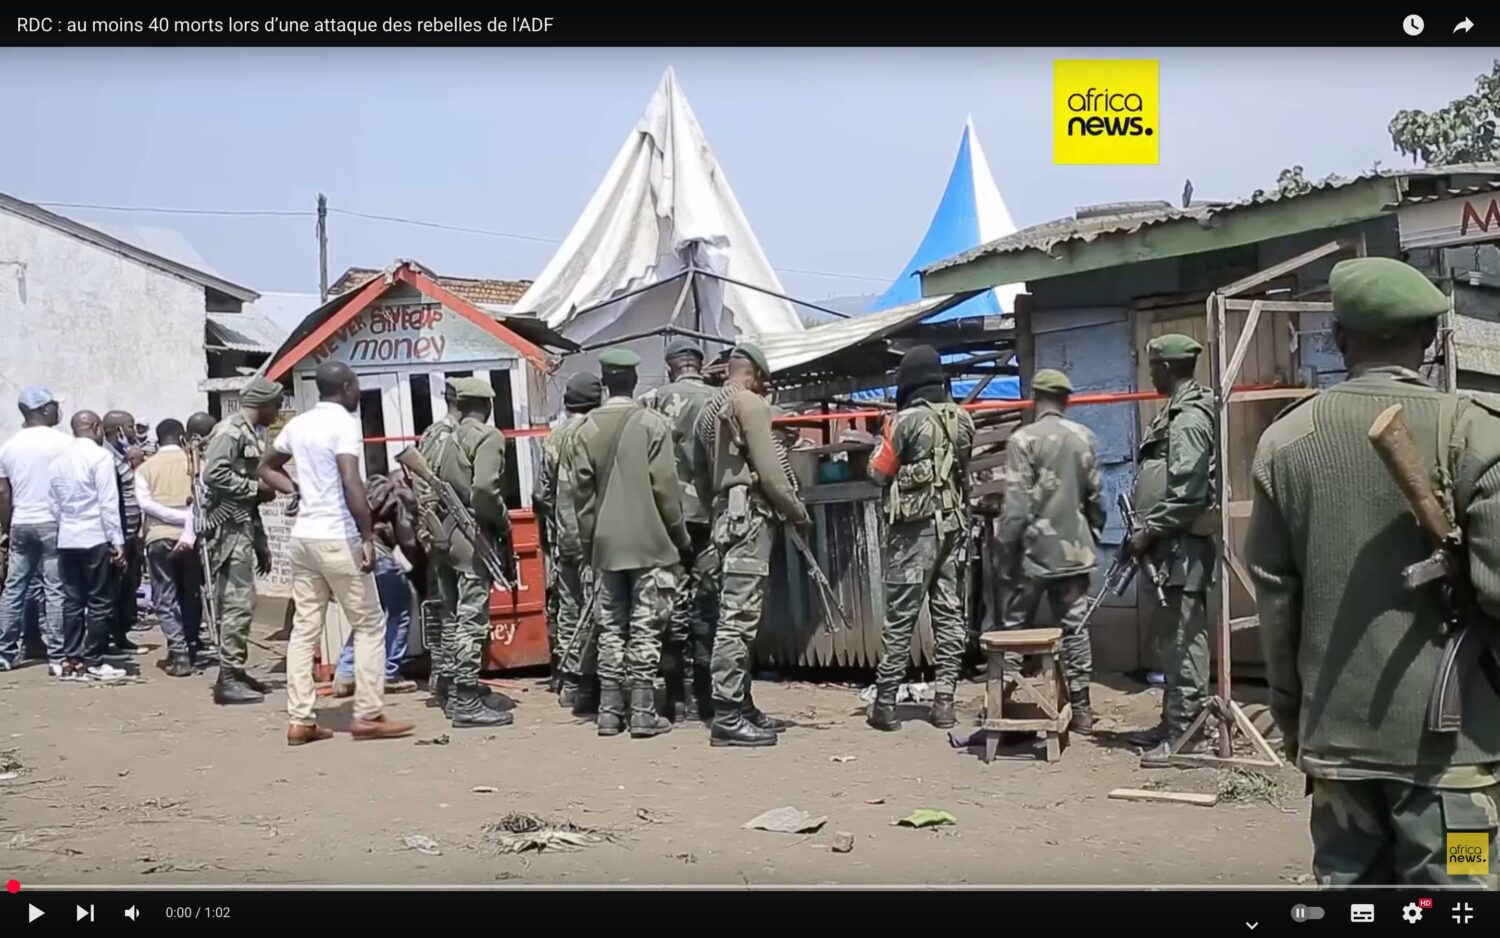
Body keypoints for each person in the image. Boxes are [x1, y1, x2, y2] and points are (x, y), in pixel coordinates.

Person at [1249, 257, 1500, 887]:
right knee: (1462, 896)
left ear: (1338, 337)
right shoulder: (1475, 432)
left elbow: (1276, 603)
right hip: (1456, 768)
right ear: (1431, 339)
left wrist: (1293, 717)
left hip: (1339, 753)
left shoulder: (1285, 440)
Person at [261, 361, 414, 744]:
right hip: (337, 537)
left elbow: (265, 467)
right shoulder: (343, 424)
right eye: (356, 386)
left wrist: (295, 489)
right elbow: (351, 482)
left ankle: (301, 720)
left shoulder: (299, 424)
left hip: (304, 539)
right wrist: (367, 536)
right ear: (346, 387)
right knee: (370, 624)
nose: (358, 393)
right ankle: (369, 714)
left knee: (304, 629)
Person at [569, 348, 689, 739]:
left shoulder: (584, 430)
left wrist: (590, 543)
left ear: (605, 382)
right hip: (651, 542)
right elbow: (666, 490)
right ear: (634, 381)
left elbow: (582, 499)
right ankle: (641, 712)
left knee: (610, 628)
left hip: (606, 546)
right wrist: (680, 536)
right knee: (645, 628)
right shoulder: (654, 424)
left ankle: (608, 712)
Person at [697, 343, 809, 747]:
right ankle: (728, 714)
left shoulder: (710, 408)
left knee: (733, 614)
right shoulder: (749, 403)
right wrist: (797, 512)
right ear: (756, 374)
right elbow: (771, 471)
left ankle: (742, 706)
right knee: (738, 618)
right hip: (749, 516)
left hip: (724, 515)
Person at [865, 345, 976, 731]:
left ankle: (885, 705)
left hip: (913, 535)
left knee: (901, 617)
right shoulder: (963, 419)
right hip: (952, 529)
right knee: (949, 614)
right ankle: (944, 703)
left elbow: (877, 473)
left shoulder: (903, 422)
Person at [995, 368, 1106, 734]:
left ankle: (1004, 706)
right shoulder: (1084, 438)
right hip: (1073, 553)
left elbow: (1016, 508)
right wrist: (1090, 536)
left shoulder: (1022, 440)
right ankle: (1083, 711)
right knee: (1075, 630)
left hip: (1031, 555)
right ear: (1066, 400)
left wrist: (1005, 552)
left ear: (1034, 397)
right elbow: (1096, 499)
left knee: (1014, 631)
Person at [1126, 332, 1218, 767]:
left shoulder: (1188, 419)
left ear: (1166, 368)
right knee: (1172, 640)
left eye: (1153, 368)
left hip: (1181, 549)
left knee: (1184, 640)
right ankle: (1174, 722)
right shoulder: (1175, 412)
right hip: (1170, 550)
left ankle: (1189, 735)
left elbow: (1188, 495)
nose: (1151, 376)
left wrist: (1149, 530)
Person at [413, 377, 515, 730]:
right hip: (472, 538)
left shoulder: (442, 438)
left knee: (452, 615)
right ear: (487, 406)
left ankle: (452, 684)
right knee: (472, 619)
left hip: (444, 537)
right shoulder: (487, 436)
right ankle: (465, 699)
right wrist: (501, 521)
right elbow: (485, 489)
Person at [643, 337, 720, 722]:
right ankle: (705, 698)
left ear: (670, 366)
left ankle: (673, 698)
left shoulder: (649, 404)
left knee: (667, 607)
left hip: (664, 519)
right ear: (699, 365)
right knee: (707, 604)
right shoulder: (717, 401)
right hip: (708, 515)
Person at [201, 379, 282, 705]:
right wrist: (255, 489)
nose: (278, 412)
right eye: (276, 405)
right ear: (262, 403)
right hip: (227, 531)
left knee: (242, 601)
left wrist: (261, 541)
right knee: (238, 602)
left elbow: (247, 497)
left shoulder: (248, 433)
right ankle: (229, 677)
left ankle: (235, 669)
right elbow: (214, 475)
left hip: (242, 525)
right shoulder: (230, 432)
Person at [533, 372, 603, 713]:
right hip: (596, 538)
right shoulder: (599, 432)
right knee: (598, 609)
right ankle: (593, 682)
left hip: (565, 538)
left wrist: (554, 527)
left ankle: (571, 682)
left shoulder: (554, 438)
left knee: (570, 607)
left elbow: (540, 493)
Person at [48, 411, 126, 681]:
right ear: (95, 427)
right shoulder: (101, 457)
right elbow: (108, 502)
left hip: (67, 538)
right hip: (94, 537)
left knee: (72, 601)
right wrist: (117, 540)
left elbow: (54, 504)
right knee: (100, 601)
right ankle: (93, 659)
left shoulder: (57, 461)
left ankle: (71, 658)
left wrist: (67, 526)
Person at [0, 386, 71, 673]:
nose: (58, 410)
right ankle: (57, 654)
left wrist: (8, 525)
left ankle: (5, 652)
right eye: (54, 405)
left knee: (15, 588)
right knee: (55, 589)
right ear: (44, 409)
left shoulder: (9, 446)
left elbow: (3, 492)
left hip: (21, 522)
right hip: (52, 522)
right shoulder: (64, 443)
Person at [331, 471, 421, 697]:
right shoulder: (397, 494)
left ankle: (346, 673)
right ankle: (389, 673)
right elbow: (408, 540)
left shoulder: (364, 491)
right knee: (399, 610)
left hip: (350, 556)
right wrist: (421, 566)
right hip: (379, 558)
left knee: (366, 616)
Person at [134, 419, 203, 676]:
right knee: (191, 593)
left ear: (158, 439)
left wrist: (173, 517)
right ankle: (191, 647)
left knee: (165, 595)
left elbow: (145, 504)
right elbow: (203, 500)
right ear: (183, 438)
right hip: (192, 538)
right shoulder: (196, 465)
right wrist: (186, 520)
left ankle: (178, 651)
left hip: (158, 537)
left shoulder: (145, 468)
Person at [412, 381, 463, 712]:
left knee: (444, 604)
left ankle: (444, 675)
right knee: (452, 607)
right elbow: (428, 487)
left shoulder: (432, 433)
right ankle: (450, 678)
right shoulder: (448, 435)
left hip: (436, 529)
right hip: (445, 530)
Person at [102, 410, 145, 655]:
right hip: (117, 533)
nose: (134, 431)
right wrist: (136, 465)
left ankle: (120, 634)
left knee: (129, 585)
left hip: (130, 533)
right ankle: (109, 637)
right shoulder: (107, 456)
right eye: (130, 426)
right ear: (118, 430)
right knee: (116, 587)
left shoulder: (122, 454)